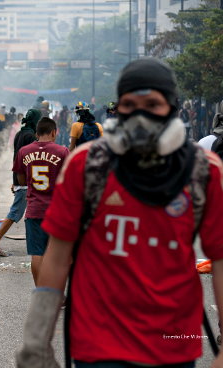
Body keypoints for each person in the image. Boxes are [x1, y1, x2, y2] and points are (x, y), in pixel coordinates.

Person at [16, 57, 223, 368]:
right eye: (130, 104)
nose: (141, 114)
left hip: (174, 343)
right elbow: (57, 257)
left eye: (152, 103)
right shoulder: (86, 165)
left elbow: (221, 259)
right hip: (98, 342)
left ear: (172, 108)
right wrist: (36, 342)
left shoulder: (203, 171)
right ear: (118, 111)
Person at [11, 117, 68, 283]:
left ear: (36, 133)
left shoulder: (24, 151)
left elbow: (20, 180)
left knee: (37, 253)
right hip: (57, 211)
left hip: (34, 210)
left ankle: (42, 292)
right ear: (53, 132)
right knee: (58, 255)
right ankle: (56, 292)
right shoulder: (62, 151)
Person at [0, 109, 42, 257]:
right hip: (25, 181)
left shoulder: (20, 133)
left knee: (31, 212)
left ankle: (38, 241)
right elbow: (29, 161)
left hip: (19, 179)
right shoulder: (31, 136)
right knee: (15, 212)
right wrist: (23, 181)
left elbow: (16, 158)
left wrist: (15, 180)